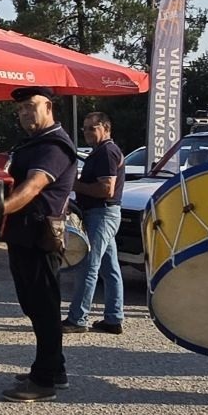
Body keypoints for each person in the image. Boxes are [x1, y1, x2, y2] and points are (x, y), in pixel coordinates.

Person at [0, 87, 80, 402]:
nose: (25, 113)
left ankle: (43, 381)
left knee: (43, 308)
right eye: (20, 109)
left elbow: (32, 188)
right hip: (24, 234)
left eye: (31, 106)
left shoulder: (54, 146)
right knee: (35, 305)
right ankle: (55, 369)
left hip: (39, 236)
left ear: (48, 107)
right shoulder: (34, 143)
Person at [64, 112, 126, 336]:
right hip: (105, 213)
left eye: (93, 128)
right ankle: (114, 318)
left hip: (101, 214)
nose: (88, 132)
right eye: (85, 128)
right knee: (110, 268)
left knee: (88, 266)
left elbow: (106, 189)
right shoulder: (102, 151)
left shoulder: (107, 152)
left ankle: (78, 318)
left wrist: (74, 185)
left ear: (106, 128)